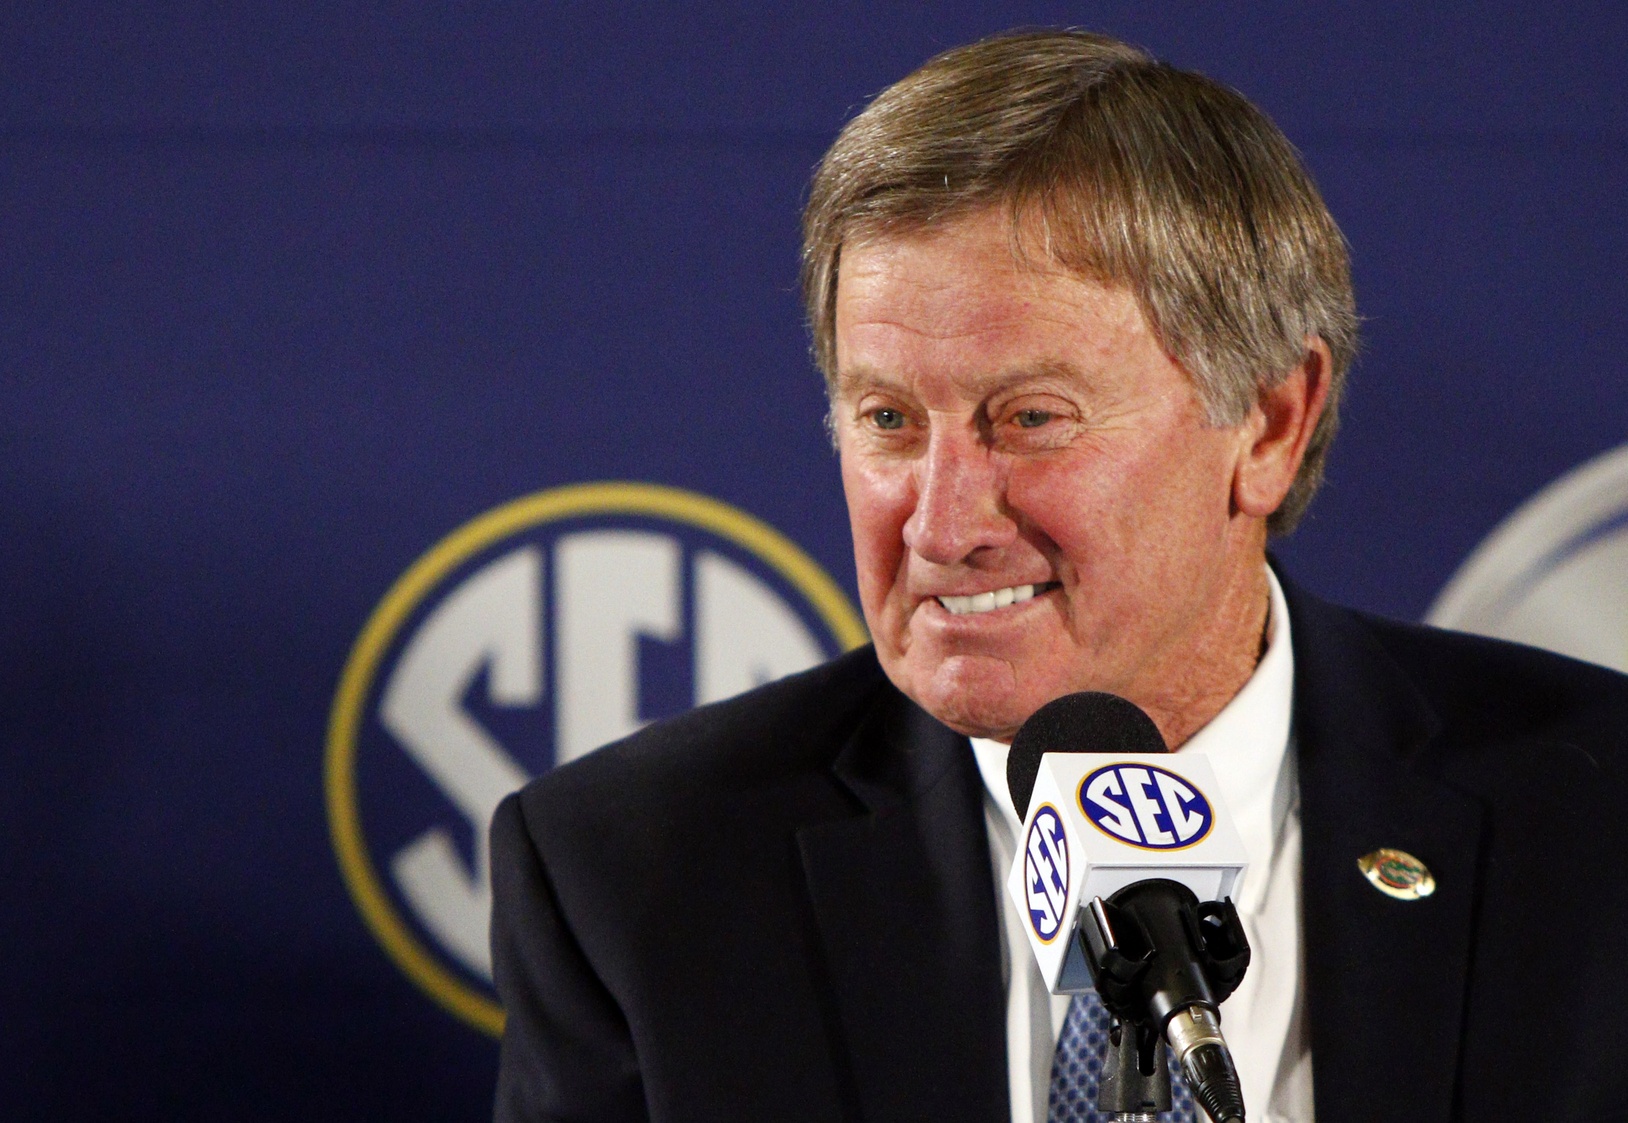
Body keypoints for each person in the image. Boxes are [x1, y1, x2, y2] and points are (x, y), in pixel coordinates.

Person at [490, 30, 1628, 1123]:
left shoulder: (1589, 817)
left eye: (1030, 419)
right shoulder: (638, 879)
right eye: (885, 418)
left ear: (1270, 424)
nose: (938, 524)